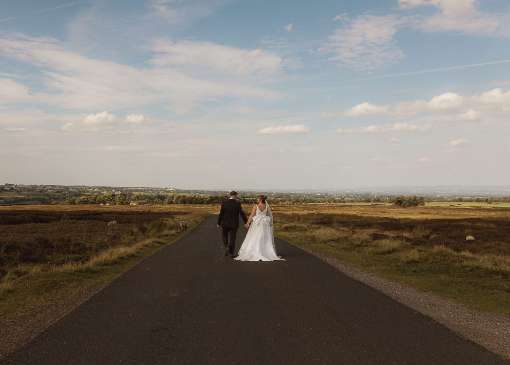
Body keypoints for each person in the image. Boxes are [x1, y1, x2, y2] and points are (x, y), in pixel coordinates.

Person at [235, 195, 283, 262]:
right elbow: (269, 215)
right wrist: (270, 223)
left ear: (260, 199)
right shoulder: (266, 206)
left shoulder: (256, 206)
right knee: (264, 237)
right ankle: (265, 252)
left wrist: (248, 223)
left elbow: (252, 215)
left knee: (255, 236)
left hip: (257, 223)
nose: (257, 200)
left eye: (258, 199)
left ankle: (255, 251)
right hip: (264, 223)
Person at [217, 191, 248, 257]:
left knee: (224, 236)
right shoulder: (238, 203)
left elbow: (221, 214)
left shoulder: (224, 203)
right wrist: (246, 222)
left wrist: (218, 223)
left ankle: (226, 247)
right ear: (235, 195)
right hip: (234, 224)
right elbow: (242, 214)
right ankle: (231, 253)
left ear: (230, 195)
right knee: (233, 238)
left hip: (224, 223)